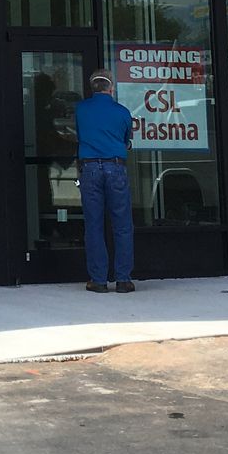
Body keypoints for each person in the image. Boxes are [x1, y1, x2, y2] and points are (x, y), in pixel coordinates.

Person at [75, 69, 136, 293]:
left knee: (94, 224)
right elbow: (126, 139)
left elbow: (80, 135)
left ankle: (98, 279)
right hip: (116, 166)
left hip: (89, 167)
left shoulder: (81, 109)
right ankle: (123, 279)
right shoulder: (122, 112)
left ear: (93, 88)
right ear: (111, 88)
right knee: (122, 224)